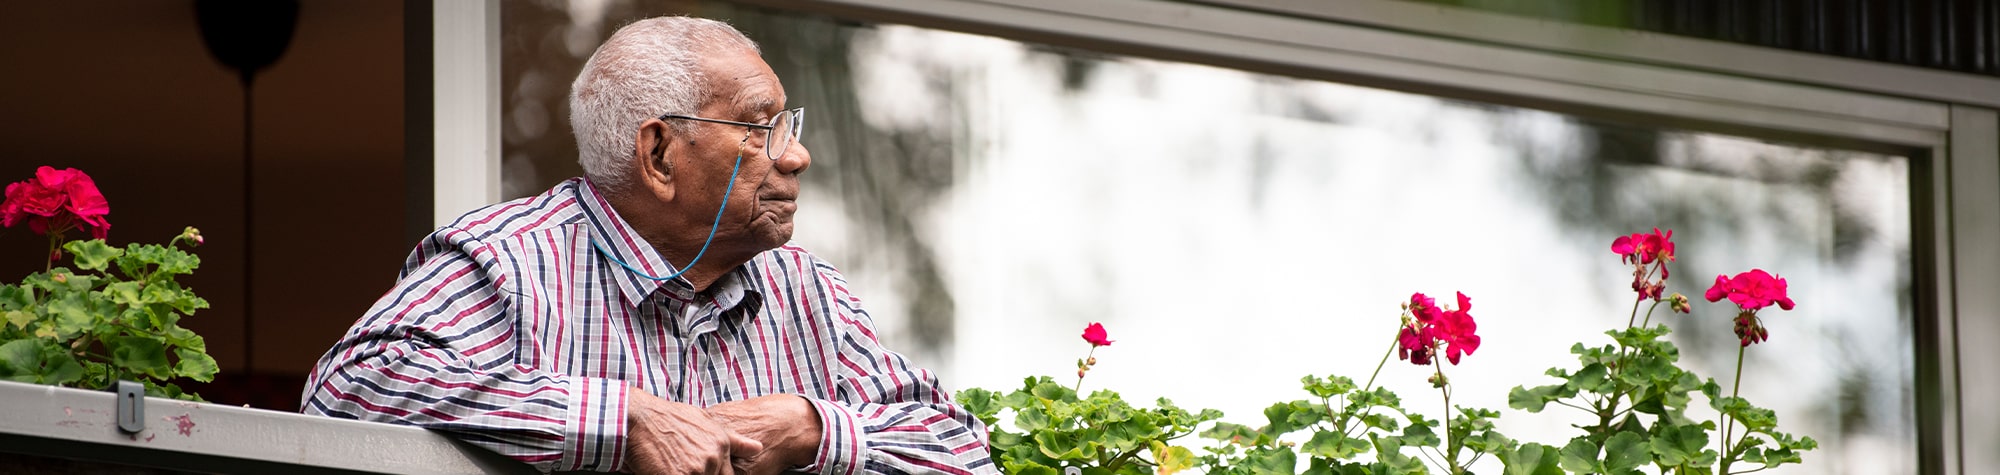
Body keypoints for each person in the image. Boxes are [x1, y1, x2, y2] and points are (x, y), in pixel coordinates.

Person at [301, 16, 994, 475]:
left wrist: (814, 429)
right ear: (660, 153)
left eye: (789, 126)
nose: (797, 156)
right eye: (760, 130)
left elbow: (963, 447)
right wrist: (620, 419)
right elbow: (347, 387)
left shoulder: (808, 292)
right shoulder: (510, 262)